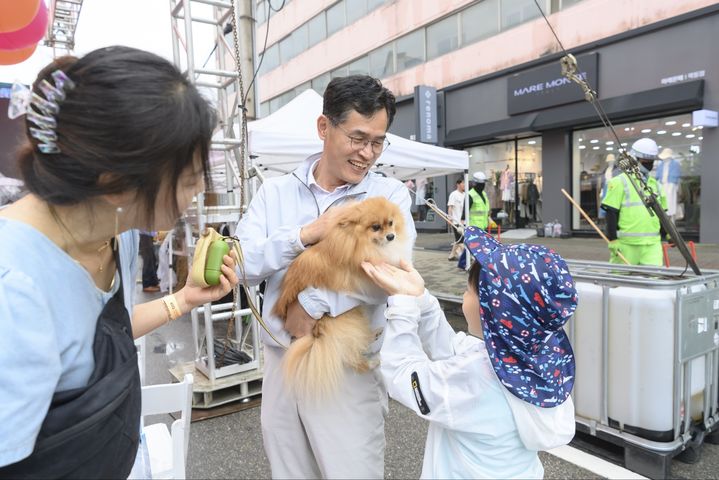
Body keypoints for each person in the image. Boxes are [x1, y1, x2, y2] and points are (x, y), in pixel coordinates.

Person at [0, 47, 239, 477]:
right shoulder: (12, 288)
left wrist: (184, 300)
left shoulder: (116, 230)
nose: (200, 190)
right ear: (114, 184)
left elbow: (97, 333)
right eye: (188, 179)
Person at [236, 75, 416, 479]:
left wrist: (312, 304)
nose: (368, 153)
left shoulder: (389, 197)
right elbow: (242, 263)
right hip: (282, 363)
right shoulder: (276, 193)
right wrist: (304, 235)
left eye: (378, 141)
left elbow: (391, 271)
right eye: (358, 138)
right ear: (324, 127)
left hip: (346, 369)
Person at [361, 226, 577, 478]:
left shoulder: (477, 377)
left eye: (469, 290)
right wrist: (420, 297)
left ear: (491, 310)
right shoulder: (535, 360)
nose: (464, 293)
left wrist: (402, 304)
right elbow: (452, 349)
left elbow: (402, 374)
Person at [600, 138, 667, 266]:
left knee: (653, 281)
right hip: (626, 245)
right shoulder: (619, 182)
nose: (650, 164)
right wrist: (612, 239)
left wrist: (668, 234)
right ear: (634, 159)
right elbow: (611, 213)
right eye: (646, 161)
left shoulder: (656, 185)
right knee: (621, 283)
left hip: (652, 244)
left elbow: (662, 214)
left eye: (651, 161)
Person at [458, 171, 491, 269]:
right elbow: (465, 209)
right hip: (473, 225)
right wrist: (463, 222)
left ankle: (474, 262)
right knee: (472, 245)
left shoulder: (484, 194)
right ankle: (463, 262)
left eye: (483, 183)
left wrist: (489, 218)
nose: (483, 185)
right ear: (475, 183)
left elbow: (485, 208)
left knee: (477, 245)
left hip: (483, 225)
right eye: (481, 183)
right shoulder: (470, 194)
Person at [446, 178, 465, 261]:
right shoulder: (454, 194)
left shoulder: (465, 195)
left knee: (458, 240)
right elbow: (450, 207)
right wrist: (449, 218)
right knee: (461, 240)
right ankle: (468, 256)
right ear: (458, 184)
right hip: (456, 221)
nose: (464, 185)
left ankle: (452, 255)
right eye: (463, 183)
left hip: (464, 222)